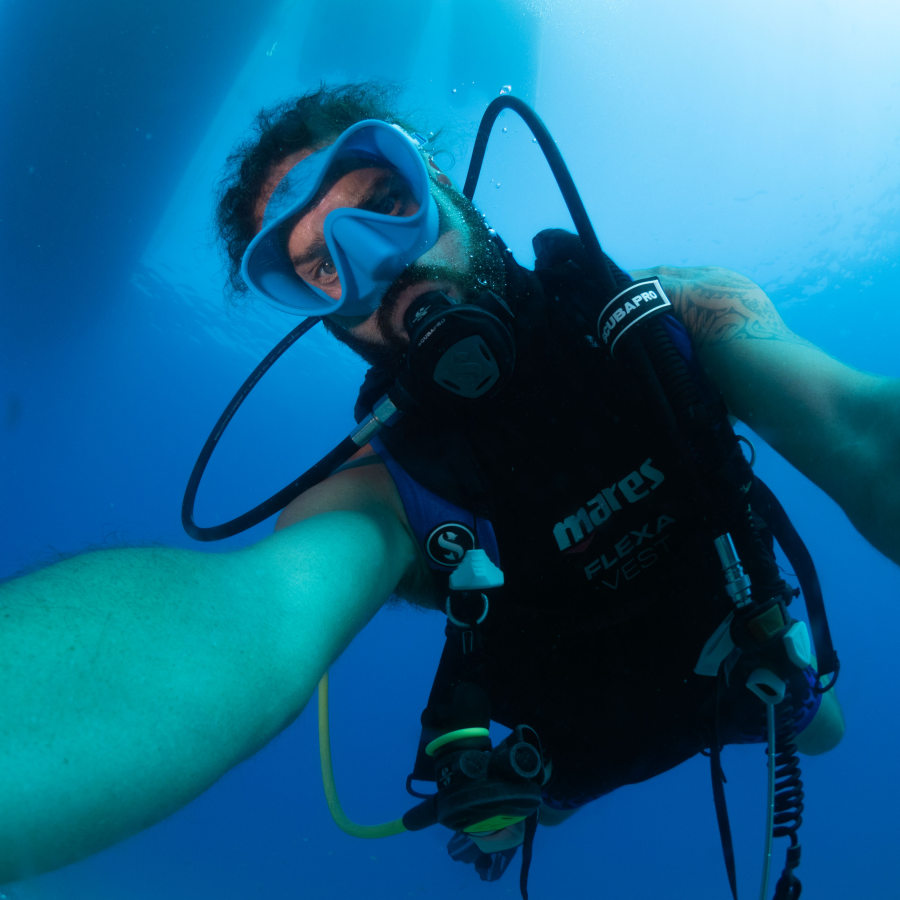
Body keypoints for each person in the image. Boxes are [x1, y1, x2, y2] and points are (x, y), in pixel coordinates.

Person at [1, 82, 897, 889]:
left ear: (443, 183)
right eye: (323, 266)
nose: (379, 268)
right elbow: (249, 623)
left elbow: (858, 428)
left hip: (755, 668)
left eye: (385, 204)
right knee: (524, 805)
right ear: (319, 313)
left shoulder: (670, 323)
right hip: (570, 754)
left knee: (821, 723)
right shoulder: (382, 483)